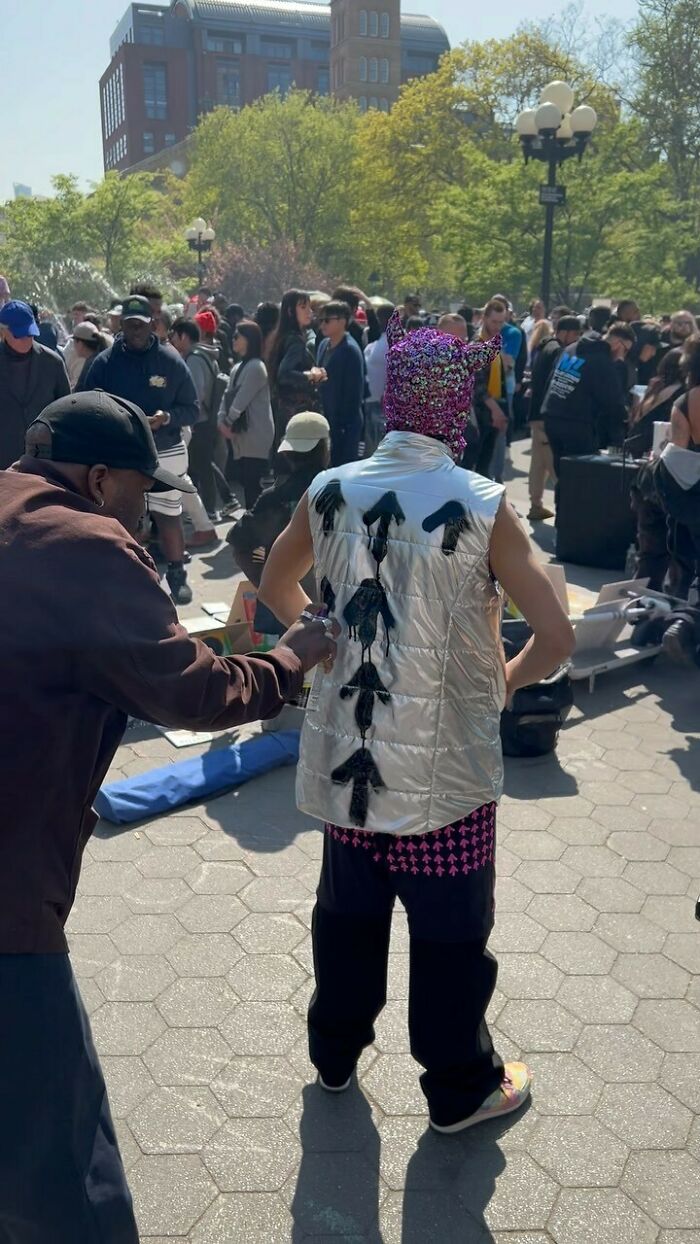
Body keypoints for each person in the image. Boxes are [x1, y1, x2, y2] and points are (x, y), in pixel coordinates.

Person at [0, 390, 336, 1243]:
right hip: (6, 894)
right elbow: (193, 690)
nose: (145, 519)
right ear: (100, 476)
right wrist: (287, 660)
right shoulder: (84, 544)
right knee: (62, 1156)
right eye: (138, 499)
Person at [258, 311, 574, 1133]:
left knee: (347, 917)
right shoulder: (479, 504)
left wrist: (321, 647)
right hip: (447, 776)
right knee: (448, 936)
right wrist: (503, 682)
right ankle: (458, 1087)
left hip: (349, 761)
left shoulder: (330, 489)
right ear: (456, 406)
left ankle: (332, 1056)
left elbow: (273, 585)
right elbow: (559, 634)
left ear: (391, 399)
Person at [78, 294, 199, 605]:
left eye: (140, 326)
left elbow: (193, 409)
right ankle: (133, 578)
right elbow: (82, 400)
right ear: (121, 325)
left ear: (153, 325)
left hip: (166, 448)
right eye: (128, 325)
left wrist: (166, 417)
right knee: (125, 517)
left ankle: (177, 575)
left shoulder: (171, 361)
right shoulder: (104, 362)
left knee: (169, 513)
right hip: (122, 451)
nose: (134, 331)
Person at [228, 411, 331, 631]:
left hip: (281, 613)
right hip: (333, 608)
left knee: (287, 663)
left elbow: (239, 546)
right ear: (325, 448)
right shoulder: (339, 493)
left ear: (288, 453)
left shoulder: (273, 498)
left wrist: (268, 582)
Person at [542, 318, 632, 475]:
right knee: (580, 476)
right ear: (618, 343)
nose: (622, 357)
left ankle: (562, 499)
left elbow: (551, 378)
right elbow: (613, 402)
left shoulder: (572, 348)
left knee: (561, 471)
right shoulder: (602, 362)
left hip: (552, 415)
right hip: (577, 423)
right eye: (626, 350)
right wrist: (626, 418)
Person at [656, 335, 700, 639]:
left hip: (692, 490)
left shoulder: (685, 401)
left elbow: (676, 454)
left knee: (684, 558)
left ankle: (677, 621)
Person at [169, 316, 222, 548]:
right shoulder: (203, 356)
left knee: (189, 472)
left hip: (197, 422)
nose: (171, 340)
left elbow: (195, 394)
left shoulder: (194, 360)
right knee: (196, 469)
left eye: (173, 335)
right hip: (204, 420)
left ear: (183, 336)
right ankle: (205, 520)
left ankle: (205, 521)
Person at [0, 299, 70, 469]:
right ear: (3, 331)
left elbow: (67, 410)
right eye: (19, 334)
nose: (26, 340)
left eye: (30, 334)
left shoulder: (52, 362)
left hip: (43, 459)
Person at [527, 315, 581, 521]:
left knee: (538, 465)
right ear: (565, 333)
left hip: (536, 415)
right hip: (548, 416)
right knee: (554, 465)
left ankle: (535, 505)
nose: (576, 339)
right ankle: (566, 510)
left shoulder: (544, 346)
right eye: (575, 334)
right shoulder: (559, 351)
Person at [219, 319, 275, 507]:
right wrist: (221, 420)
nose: (233, 339)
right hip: (240, 434)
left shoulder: (257, 367)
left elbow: (240, 400)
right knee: (246, 483)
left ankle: (258, 525)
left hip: (256, 434)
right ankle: (254, 524)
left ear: (249, 339)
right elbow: (226, 396)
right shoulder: (237, 367)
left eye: (237, 336)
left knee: (253, 484)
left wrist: (226, 422)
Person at [269, 289, 325, 438]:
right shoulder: (295, 341)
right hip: (294, 412)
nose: (309, 311)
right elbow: (284, 374)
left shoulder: (282, 337)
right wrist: (311, 376)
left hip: (281, 409)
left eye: (309, 307)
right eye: (303, 307)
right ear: (290, 311)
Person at [465, 297, 509, 478]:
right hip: (481, 414)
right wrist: (497, 411)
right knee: (474, 464)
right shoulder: (477, 345)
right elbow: (477, 386)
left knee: (485, 465)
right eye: (494, 321)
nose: (498, 326)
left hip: (492, 410)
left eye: (501, 322)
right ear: (484, 318)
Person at [317, 300, 365, 467]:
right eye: (320, 320)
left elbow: (354, 393)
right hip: (327, 421)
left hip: (345, 425)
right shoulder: (324, 345)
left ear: (342, 321)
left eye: (327, 320)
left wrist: (343, 426)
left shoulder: (350, 350)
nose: (322, 324)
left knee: (342, 471)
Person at [364, 302, 394, 455]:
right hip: (369, 403)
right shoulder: (377, 342)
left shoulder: (393, 343)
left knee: (377, 450)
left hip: (381, 405)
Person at [71, 321, 109, 389]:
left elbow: (81, 392)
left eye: (74, 341)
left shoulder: (91, 364)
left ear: (80, 343)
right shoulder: (101, 359)